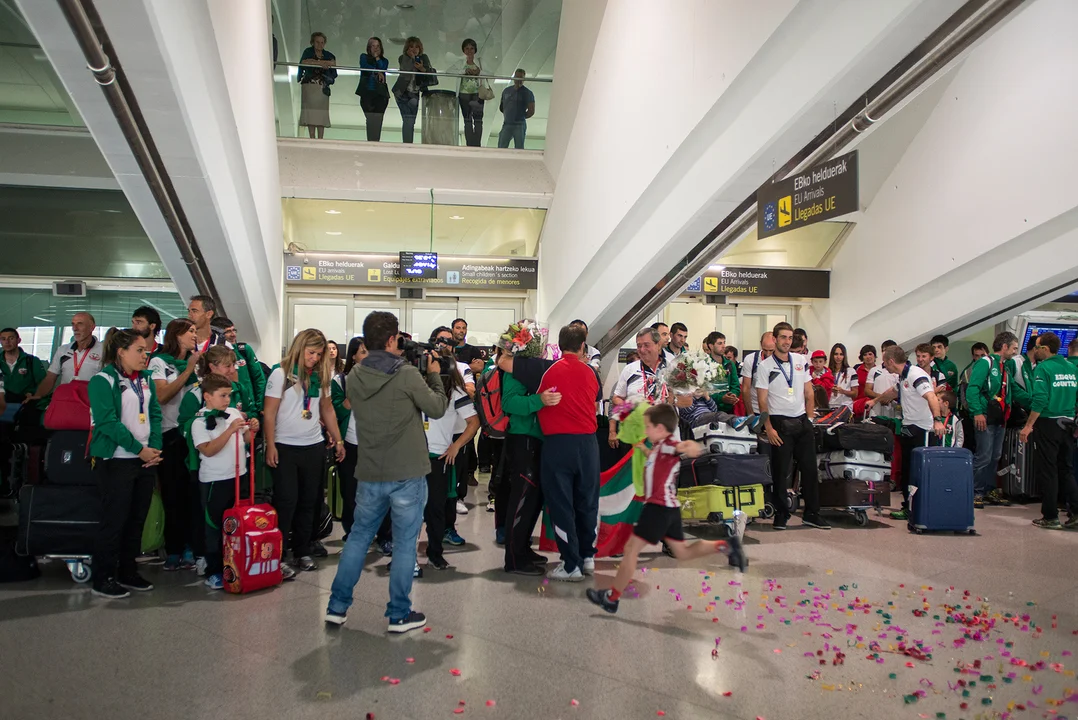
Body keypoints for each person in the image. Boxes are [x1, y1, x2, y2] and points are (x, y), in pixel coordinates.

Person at [326, 311, 448, 632]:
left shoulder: (355, 376)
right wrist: (434, 375)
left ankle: (337, 607)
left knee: (357, 538)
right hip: (407, 472)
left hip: (369, 470)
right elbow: (437, 407)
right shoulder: (406, 374)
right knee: (405, 543)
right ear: (393, 339)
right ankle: (399, 614)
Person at [585, 404, 746, 613]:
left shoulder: (669, 445)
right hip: (669, 509)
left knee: (631, 550)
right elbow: (655, 455)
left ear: (660, 428)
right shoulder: (659, 447)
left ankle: (612, 598)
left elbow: (682, 447)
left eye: (648, 427)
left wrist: (691, 446)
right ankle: (727, 545)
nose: (645, 430)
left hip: (658, 508)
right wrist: (641, 447)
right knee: (682, 552)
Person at [87, 329, 162, 599]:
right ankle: (103, 576)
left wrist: (154, 449)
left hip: (145, 459)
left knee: (137, 519)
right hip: (116, 459)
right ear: (121, 352)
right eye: (139, 350)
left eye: (146, 351)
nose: (145, 355)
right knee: (114, 520)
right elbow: (107, 422)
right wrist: (139, 450)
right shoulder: (102, 380)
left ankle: (128, 571)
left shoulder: (146, 379)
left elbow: (154, 413)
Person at [264, 329, 344, 577]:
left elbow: (327, 409)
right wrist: (270, 445)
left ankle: (302, 550)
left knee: (310, 501)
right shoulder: (280, 374)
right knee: (286, 502)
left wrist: (338, 439)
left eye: (319, 354)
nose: (314, 358)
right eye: (311, 353)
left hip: (313, 446)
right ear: (299, 349)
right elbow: (269, 413)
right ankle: (278, 555)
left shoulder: (321, 377)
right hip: (285, 447)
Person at [537, 324, 601, 581]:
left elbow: (540, 403)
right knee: (588, 501)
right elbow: (595, 402)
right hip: (588, 444)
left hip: (558, 444)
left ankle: (570, 564)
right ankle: (587, 557)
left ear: (559, 345)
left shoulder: (550, 371)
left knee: (561, 503)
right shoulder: (590, 372)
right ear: (583, 346)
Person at [755, 322, 830, 530]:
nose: (787, 341)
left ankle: (812, 513)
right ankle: (781, 514)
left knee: (810, 469)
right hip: (779, 423)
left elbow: (809, 392)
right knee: (781, 472)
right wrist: (768, 427)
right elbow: (762, 400)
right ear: (774, 339)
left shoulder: (800, 361)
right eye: (783, 337)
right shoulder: (765, 366)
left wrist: (810, 419)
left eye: (790, 338)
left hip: (802, 421)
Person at [190, 374, 255, 590]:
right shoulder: (199, 422)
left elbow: (247, 439)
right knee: (214, 526)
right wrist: (230, 430)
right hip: (215, 481)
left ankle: (237, 565)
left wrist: (252, 429)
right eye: (222, 395)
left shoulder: (234, 413)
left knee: (237, 524)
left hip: (239, 476)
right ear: (207, 396)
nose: (227, 400)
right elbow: (208, 450)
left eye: (229, 395)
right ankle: (214, 570)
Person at [501, 346, 561, 575]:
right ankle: (514, 559)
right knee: (522, 498)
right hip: (523, 439)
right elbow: (508, 403)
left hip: (537, 439)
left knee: (534, 499)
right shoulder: (514, 369)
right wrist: (539, 400)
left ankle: (523, 549)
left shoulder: (533, 368)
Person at [148, 318, 202, 571]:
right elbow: (162, 395)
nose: (194, 335)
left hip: (193, 435)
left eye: (195, 331)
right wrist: (188, 370)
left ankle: (191, 545)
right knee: (172, 494)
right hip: (169, 434)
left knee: (192, 493)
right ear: (176, 335)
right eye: (190, 331)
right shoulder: (159, 362)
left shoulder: (197, 362)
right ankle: (174, 548)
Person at [422, 344, 480, 571]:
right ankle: (404, 556)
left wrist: (456, 446)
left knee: (435, 509)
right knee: (407, 509)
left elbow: (473, 422)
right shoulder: (417, 386)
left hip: (438, 457)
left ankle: (435, 553)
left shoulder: (455, 392)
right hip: (412, 456)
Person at [877, 345, 946, 519]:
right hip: (909, 426)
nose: (884, 365)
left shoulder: (916, 375)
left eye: (884, 362)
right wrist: (875, 400)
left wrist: (938, 420)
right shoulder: (903, 376)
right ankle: (909, 506)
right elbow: (893, 392)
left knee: (920, 471)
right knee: (907, 469)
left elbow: (931, 396)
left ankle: (922, 508)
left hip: (923, 429)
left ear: (891, 361)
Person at [1020, 332, 1078, 530]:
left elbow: (1040, 400)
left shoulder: (1043, 368)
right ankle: (1076, 513)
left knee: (1048, 470)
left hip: (1048, 423)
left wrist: (1028, 426)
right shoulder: (1071, 367)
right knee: (1066, 469)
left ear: (1045, 349)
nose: (1034, 351)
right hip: (1068, 423)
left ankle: (1050, 516)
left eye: (1037, 347)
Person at [966, 331, 1019, 508]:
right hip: (985, 416)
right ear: (1004, 346)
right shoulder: (985, 363)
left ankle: (989, 490)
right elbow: (973, 388)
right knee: (983, 456)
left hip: (1000, 418)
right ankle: (975, 491)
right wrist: (977, 412)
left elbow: (1013, 390)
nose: (1015, 352)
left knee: (995, 456)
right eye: (1014, 348)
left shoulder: (1005, 366)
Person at [609, 328, 677, 449]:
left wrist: (673, 400)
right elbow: (616, 398)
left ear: (658, 345)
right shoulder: (630, 369)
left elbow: (686, 401)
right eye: (639, 346)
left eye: (646, 345)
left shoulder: (672, 367)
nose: (642, 350)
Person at [29, 312, 102, 401]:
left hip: (92, 402)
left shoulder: (104, 351)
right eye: (73, 324)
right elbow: (50, 378)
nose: (75, 328)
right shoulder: (63, 350)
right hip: (66, 401)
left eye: (80, 324)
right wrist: (37, 395)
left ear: (92, 327)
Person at [210, 316, 265, 416]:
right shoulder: (211, 354)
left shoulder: (243, 350)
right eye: (228, 332)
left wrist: (260, 406)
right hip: (223, 405)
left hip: (249, 408)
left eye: (234, 330)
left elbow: (259, 378)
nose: (233, 334)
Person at [393, 36, 436, 144]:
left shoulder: (424, 58)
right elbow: (405, 70)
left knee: (411, 121)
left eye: (417, 47)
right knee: (408, 119)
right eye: (411, 47)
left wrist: (421, 68)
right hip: (402, 93)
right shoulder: (403, 58)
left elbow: (429, 74)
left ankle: (408, 144)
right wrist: (412, 58)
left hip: (415, 93)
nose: (414, 49)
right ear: (407, 48)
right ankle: (407, 145)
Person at [298, 32, 336, 139]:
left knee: (321, 114)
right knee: (310, 114)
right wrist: (320, 63)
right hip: (309, 86)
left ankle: (320, 138)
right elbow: (304, 62)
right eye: (317, 42)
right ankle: (312, 137)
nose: (320, 45)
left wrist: (317, 62)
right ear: (313, 42)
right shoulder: (307, 52)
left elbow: (333, 63)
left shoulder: (328, 54)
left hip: (322, 87)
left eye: (322, 42)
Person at [356, 36, 390, 142]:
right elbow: (364, 66)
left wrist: (377, 58)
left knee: (378, 120)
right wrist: (376, 71)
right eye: (373, 46)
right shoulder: (364, 57)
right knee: (370, 119)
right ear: (369, 47)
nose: (376, 48)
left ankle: (376, 143)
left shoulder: (384, 60)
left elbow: (383, 67)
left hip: (380, 95)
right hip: (367, 94)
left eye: (378, 46)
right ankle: (370, 142)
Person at [454, 38, 486, 147]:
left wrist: (479, 72)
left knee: (478, 119)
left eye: (471, 48)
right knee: (467, 120)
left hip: (478, 94)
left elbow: (491, 73)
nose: (469, 51)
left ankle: (477, 144)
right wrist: (464, 71)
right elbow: (449, 71)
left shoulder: (480, 62)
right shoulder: (460, 62)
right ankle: (470, 144)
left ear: (475, 50)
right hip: (464, 94)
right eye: (467, 48)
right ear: (463, 50)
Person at [0, 327, 46, 404]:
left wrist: (32, 393)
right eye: (3, 339)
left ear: (19, 340)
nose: (7, 342)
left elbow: (44, 383)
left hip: (25, 403)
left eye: (11, 338)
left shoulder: (32, 361)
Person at [703, 331, 741, 413]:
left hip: (728, 408)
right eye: (720, 343)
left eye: (724, 342)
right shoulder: (704, 364)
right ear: (711, 346)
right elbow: (703, 389)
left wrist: (733, 395)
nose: (724, 346)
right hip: (710, 408)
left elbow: (735, 385)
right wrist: (721, 398)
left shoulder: (730, 364)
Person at [740, 332, 775, 415]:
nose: (768, 354)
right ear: (760, 344)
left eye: (771, 350)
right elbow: (745, 389)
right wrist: (750, 413)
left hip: (776, 410)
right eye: (765, 350)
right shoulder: (751, 359)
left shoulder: (782, 359)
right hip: (756, 408)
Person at [497, 69, 535, 149]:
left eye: (520, 77)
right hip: (507, 123)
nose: (518, 80)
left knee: (519, 147)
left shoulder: (527, 93)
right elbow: (502, 106)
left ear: (524, 79)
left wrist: (520, 116)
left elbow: (531, 110)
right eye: (517, 77)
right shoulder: (507, 91)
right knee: (501, 146)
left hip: (519, 124)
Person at [828, 343, 858, 411]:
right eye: (836, 354)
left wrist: (843, 391)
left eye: (841, 354)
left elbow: (855, 394)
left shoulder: (851, 371)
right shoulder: (827, 371)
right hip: (830, 406)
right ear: (832, 355)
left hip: (845, 406)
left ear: (844, 356)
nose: (838, 357)